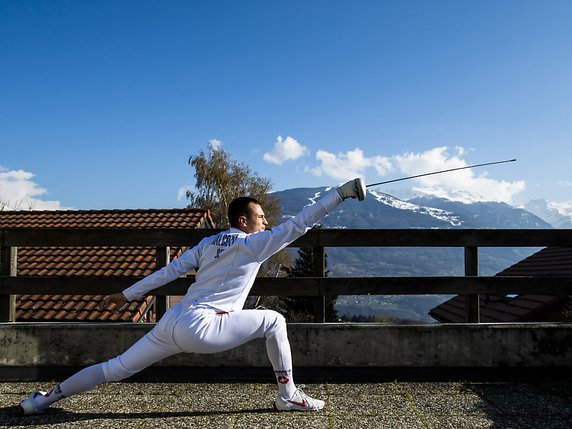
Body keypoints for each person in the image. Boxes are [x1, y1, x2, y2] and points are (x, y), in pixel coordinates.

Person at [17, 178, 366, 415]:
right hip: (202, 326)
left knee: (115, 368)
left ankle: (43, 399)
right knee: (275, 320)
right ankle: (288, 396)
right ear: (244, 220)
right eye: (260, 217)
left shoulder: (207, 243)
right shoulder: (253, 244)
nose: (265, 223)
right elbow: (299, 223)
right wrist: (341, 192)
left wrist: (126, 295)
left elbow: (166, 273)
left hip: (173, 321)